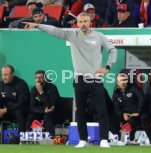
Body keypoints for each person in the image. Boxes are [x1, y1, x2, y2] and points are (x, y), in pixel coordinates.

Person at [22, 12, 117, 148]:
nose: (83, 24)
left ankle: (103, 140)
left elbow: (112, 50)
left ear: (90, 21)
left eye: (85, 21)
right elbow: (55, 31)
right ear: (77, 23)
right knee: (80, 111)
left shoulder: (99, 36)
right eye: (80, 21)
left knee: (102, 110)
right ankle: (83, 140)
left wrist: (107, 67)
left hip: (95, 80)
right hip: (79, 80)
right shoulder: (72, 35)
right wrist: (38, 25)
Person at [113, 70, 151, 144]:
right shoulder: (116, 93)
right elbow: (116, 108)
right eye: (121, 81)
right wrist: (123, 114)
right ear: (117, 83)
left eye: (125, 80)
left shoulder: (133, 87)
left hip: (138, 113)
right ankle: (120, 140)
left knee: (140, 119)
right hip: (125, 115)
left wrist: (138, 112)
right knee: (114, 120)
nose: (123, 82)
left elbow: (142, 98)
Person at [26, 70, 60, 137]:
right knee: (30, 116)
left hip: (53, 112)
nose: (38, 80)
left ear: (45, 79)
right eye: (36, 77)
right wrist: (43, 110)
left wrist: (41, 93)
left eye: (41, 77)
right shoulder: (33, 90)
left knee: (47, 115)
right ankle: (27, 136)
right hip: (41, 112)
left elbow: (50, 106)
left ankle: (51, 137)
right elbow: (32, 107)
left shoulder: (52, 88)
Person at [0, 65, 30, 133]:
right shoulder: (1, 84)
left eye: (6, 75)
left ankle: (21, 138)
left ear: (12, 74)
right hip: (5, 112)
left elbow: (21, 103)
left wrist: (5, 110)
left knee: (19, 110)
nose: (4, 77)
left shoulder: (21, 84)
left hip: (20, 110)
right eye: (2, 75)